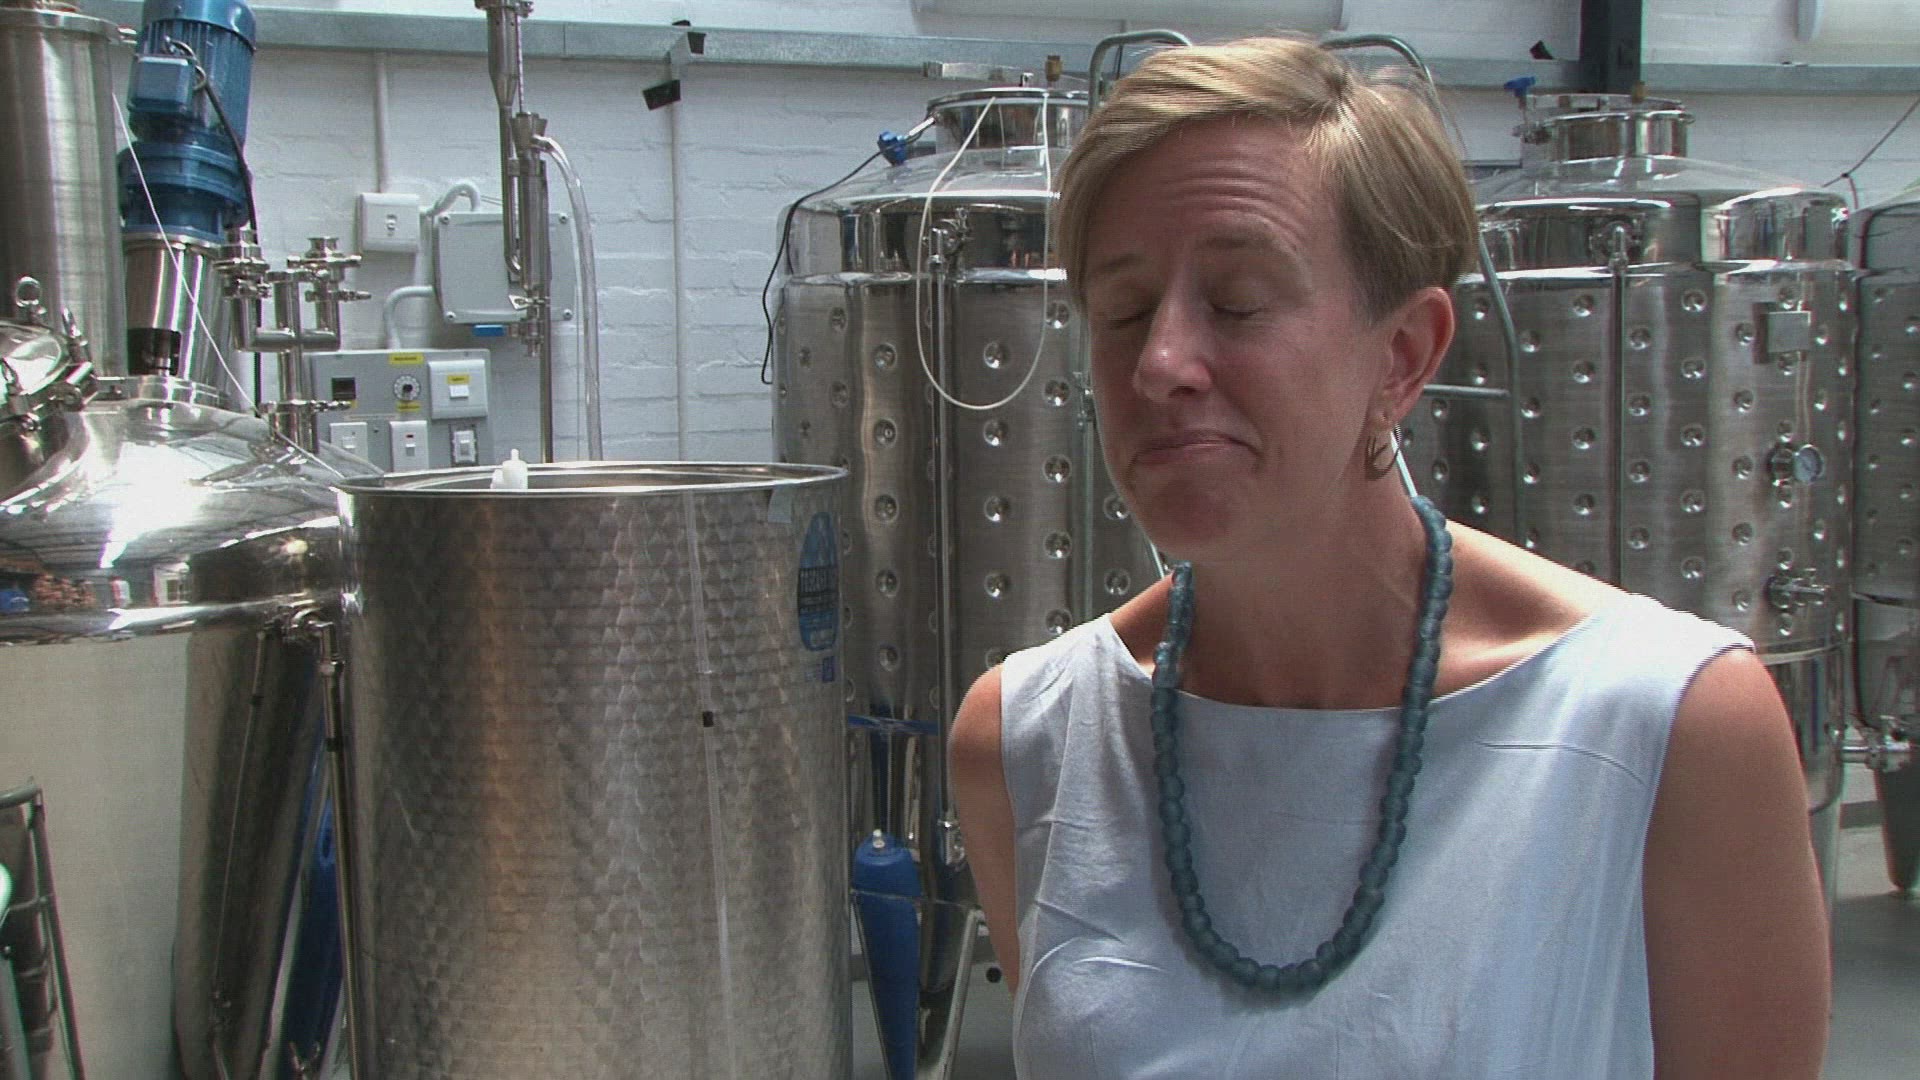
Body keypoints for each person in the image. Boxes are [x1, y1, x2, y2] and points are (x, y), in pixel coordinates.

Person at [949, 35, 1830, 1079]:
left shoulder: (1661, 728)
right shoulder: (1026, 738)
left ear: (1403, 356)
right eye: (1124, 311)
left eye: (1238, 303)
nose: (1161, 363)